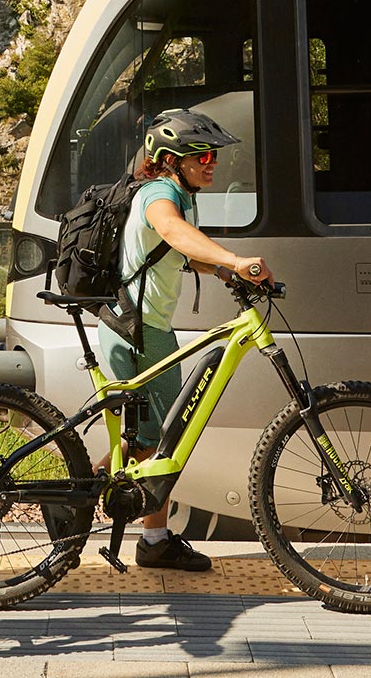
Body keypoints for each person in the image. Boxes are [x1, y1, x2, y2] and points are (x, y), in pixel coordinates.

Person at [100, 107, 273, 572]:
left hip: (145, 327)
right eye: (203, 155)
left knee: (147, 437)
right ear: (173, 159)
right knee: (163, 438)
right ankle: (152, 540)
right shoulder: (159, 192)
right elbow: (172, 232)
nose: (212, 162)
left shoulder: (180, 192)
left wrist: (219, 269)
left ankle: (93, 493)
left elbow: (176, 251)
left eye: (213, 154)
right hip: (136, 330)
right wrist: (235, 260)